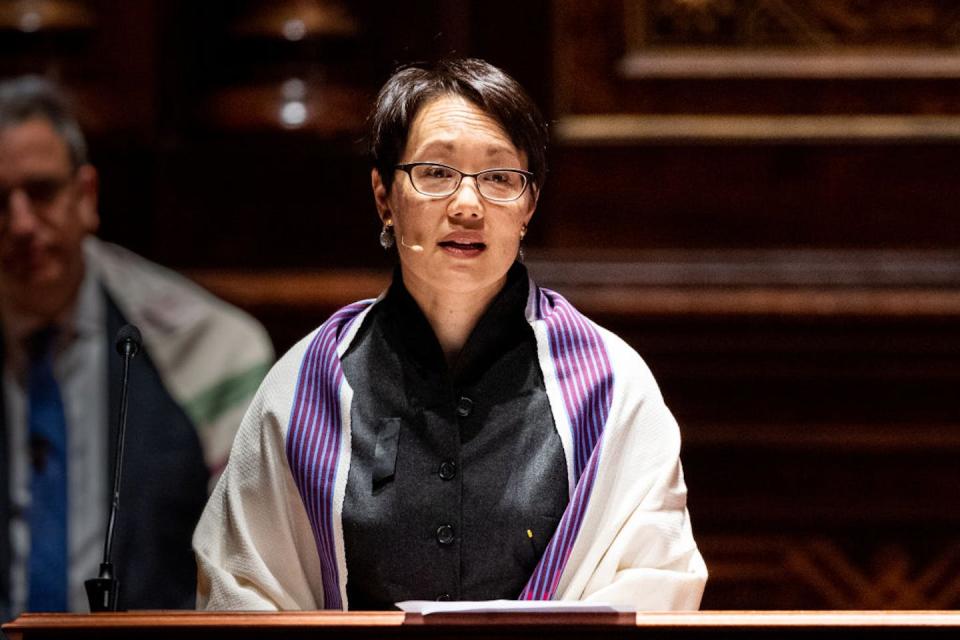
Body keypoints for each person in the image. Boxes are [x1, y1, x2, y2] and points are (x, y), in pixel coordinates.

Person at [193, 58, 707, 611]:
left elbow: (655, 583)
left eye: (500, 178)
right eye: (436, 173)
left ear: (528, 207)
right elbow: (241, 592)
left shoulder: (610, 386)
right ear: (384, 198)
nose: (467, 205)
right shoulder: (305, 386)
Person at [0, 75, 274, 618]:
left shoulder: (211, 348)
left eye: (42, 191)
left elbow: (245, 580)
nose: (22, 223)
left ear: (86, 197)